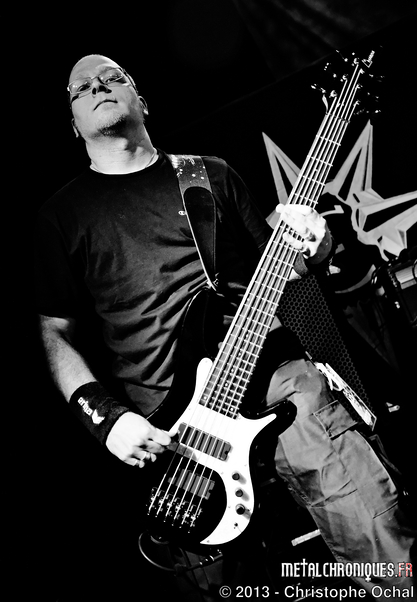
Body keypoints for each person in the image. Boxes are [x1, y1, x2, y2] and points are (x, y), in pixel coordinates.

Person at [34, 54, 415, 601]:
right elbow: (53, 332)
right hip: (171, 431)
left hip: (272, 379)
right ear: (74, 125)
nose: (98, 87)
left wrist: (318, 244)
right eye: (81, 88)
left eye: (113, 78)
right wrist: (105, 419)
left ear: (143, 101)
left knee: (380, 543)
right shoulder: (61, 216)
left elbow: (287, 264)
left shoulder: (207, 174)